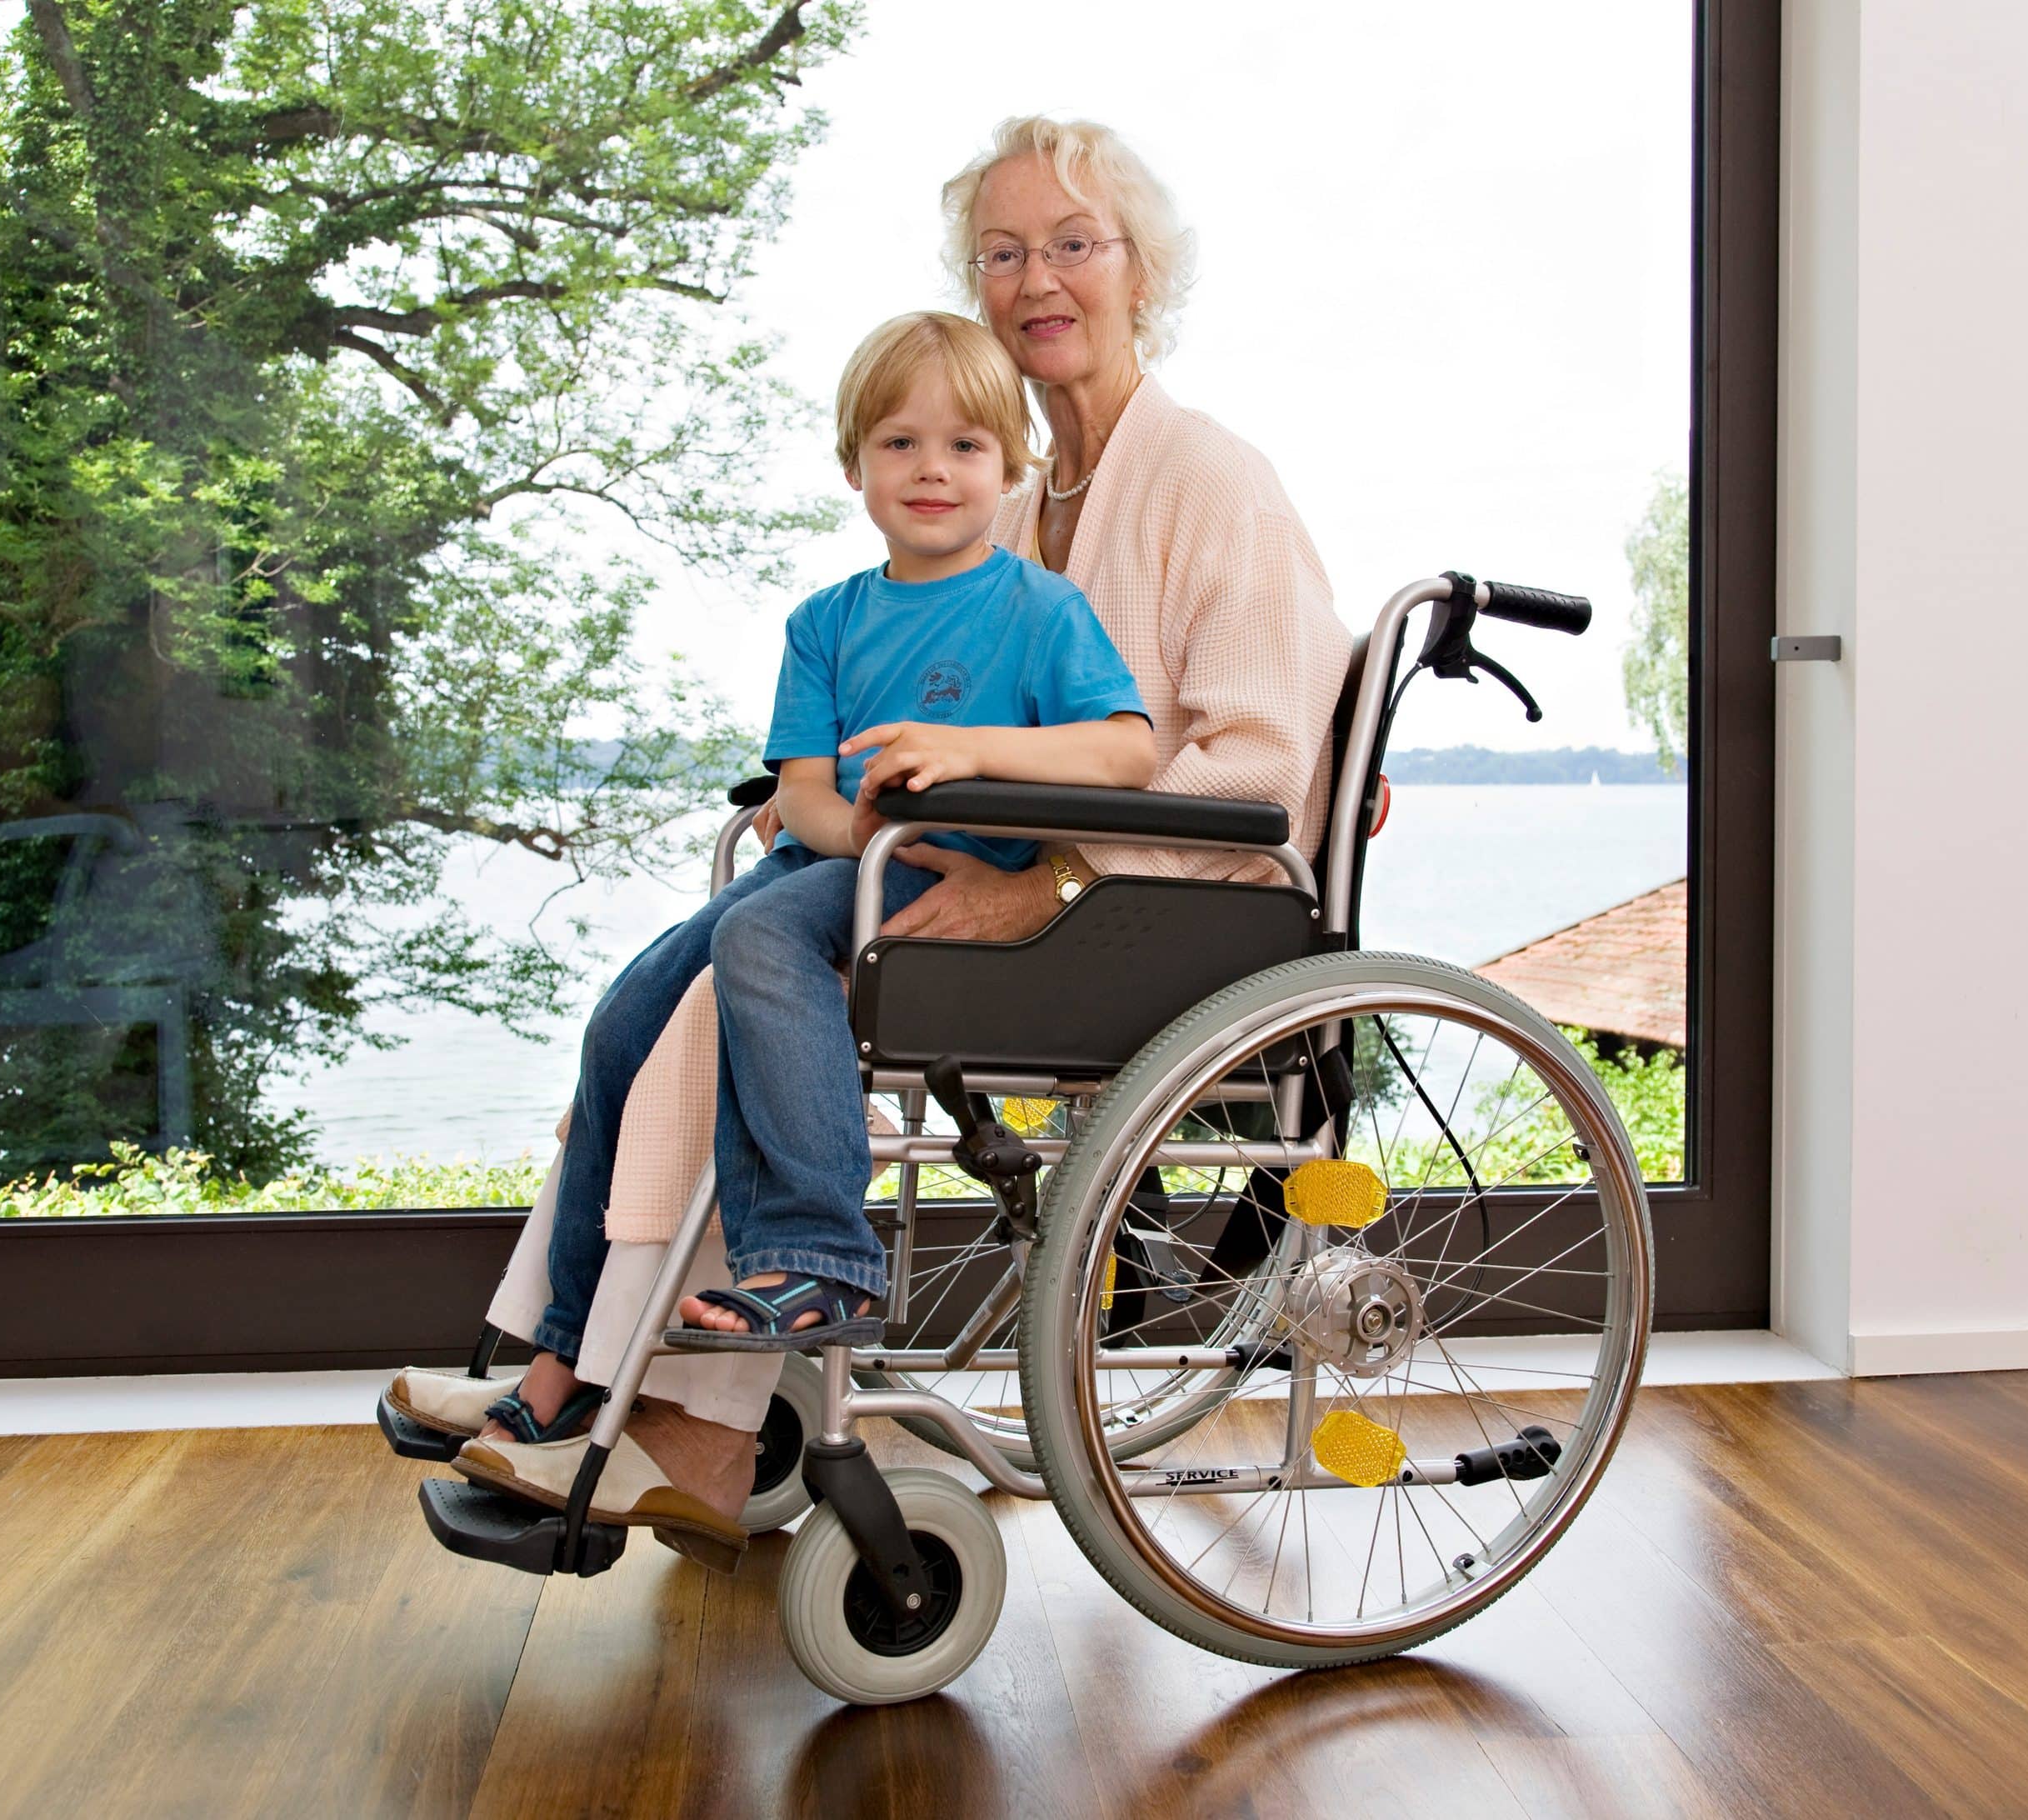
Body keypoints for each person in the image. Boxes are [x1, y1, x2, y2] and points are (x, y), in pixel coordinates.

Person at [387, 115, 1350, 1550]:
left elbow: (1261, 762)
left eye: (1072, 244)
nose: (1039, 277)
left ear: (1142, 272)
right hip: (965, 875)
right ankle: (576, 1364)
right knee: (656, 999)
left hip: (1141, 918)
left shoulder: (1213, 479)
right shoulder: (1007, 495)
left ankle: (669, 1418)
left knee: (740, 985)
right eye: (1003, 253)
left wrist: (1058, 883)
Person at [433, 309, 1151, 1533]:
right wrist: (849, 819)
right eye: (901, 442)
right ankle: (563, 1356)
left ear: (1013, 464)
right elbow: (803, 797)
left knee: (754, 941)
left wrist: (963, 754)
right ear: (854, 464)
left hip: (947, 875)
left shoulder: (1040, 613)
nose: (934, 469)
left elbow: (1130, 753)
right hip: (845, 864)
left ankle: (821, 1254)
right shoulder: (825, 623)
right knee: (623, 1022)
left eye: (969, 445)